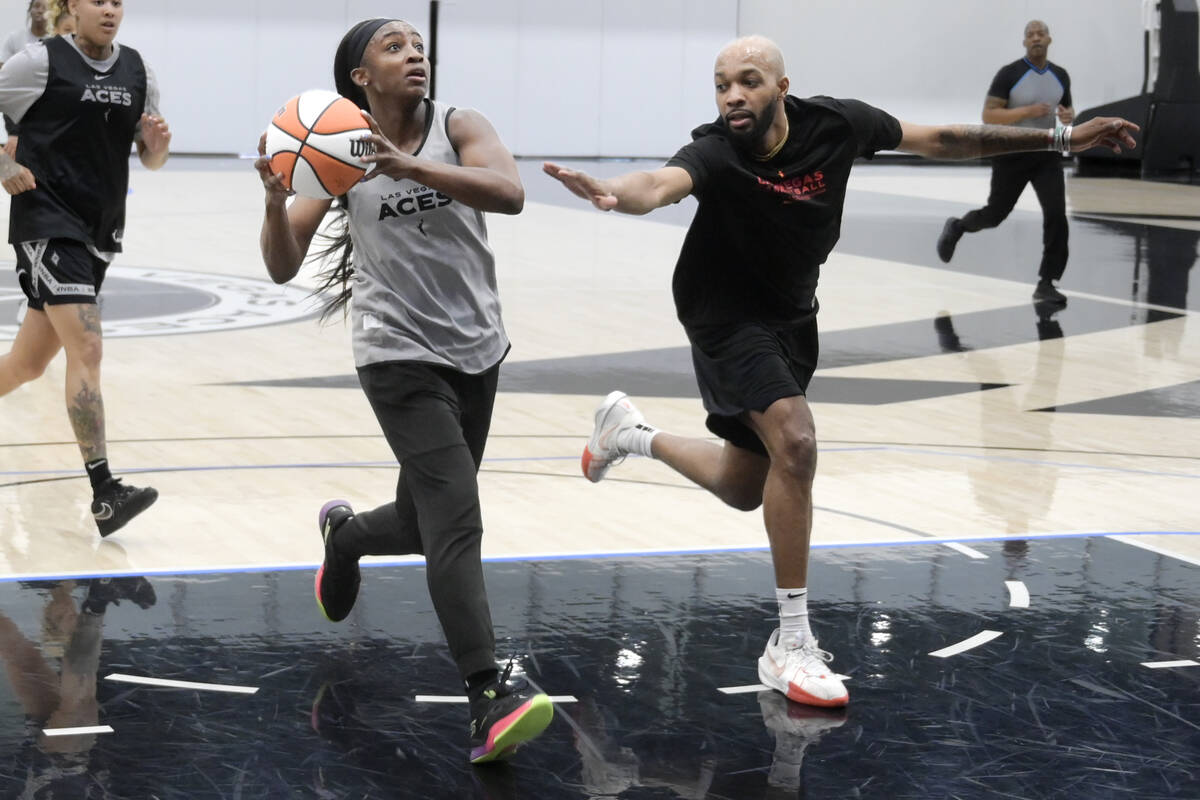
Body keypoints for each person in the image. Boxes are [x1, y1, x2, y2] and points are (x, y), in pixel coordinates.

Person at [544, 35, 1135, 708]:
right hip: (724, 313)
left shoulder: (836, 124)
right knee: (796, 440)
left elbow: (940, 138)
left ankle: (628, 434)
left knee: (747, 484)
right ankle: (790, 643)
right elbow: (658, 183)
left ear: (781, 87)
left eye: (748, 81)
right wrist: (615, 192)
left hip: (793, 315)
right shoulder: (716, 149)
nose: (733, 95)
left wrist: (1059, 138)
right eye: (721, 85)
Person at [256, 18, 553, 763]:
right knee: (457, 515)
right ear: (360, 76)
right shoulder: (340, 151)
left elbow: (509, 193)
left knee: (426, 526)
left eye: (417, 45)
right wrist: (271, 200)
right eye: (393, 47)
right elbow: (283, 265)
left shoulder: (459, 126)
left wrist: (407, 166)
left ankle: (347, 537)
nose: (413, 54)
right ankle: (488, 694)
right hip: (395, 353)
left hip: (477, 347)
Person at [0, 0, 171, 537]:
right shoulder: (38, 62)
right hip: (46, 220)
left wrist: (158, 148)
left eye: (118, 1)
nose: (110, 10)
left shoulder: (139, 71)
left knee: (27, 365)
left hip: (99, 232)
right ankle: (105, 491)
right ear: (72, 6)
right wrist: (4, 162)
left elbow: (149, 156)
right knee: (88, 348)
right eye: (98, 0)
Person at [936, 20, 1076, 305]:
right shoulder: (1010, 73)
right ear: (1024, 42)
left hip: (1046, 154)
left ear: (1049, 39)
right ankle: (958, 227)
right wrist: (1026, 111)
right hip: (1010, 153)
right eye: (1030, 35)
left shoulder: (1061, 75)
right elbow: (989, 115)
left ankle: (1047, 282)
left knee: (1057, 216)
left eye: (1041, 34)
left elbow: (1066, 112)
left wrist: (1068, 119)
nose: (1036, 38)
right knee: (995, 214)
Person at [1, 0, 50, 158]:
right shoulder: (15, 38)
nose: (40, 11)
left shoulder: (54, 41)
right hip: (17, 111)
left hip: (45, 109)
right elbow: (6, 85)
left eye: (45, 7)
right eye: (36, 6)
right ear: (29, 10)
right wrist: (13, 133)